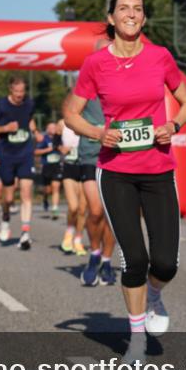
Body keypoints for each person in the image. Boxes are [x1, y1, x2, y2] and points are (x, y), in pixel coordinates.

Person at [63, 0, 186, 364]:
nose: (131, 14)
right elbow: (70, 113)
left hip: (158, 169)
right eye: (124, 8)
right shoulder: (96, 64)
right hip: (116, 171)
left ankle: (155, 294)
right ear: (111, 18)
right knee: (134, 259)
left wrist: (173, 123)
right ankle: (136, 336)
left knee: (166, 262)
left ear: (144, 19)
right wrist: (96, 133)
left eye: (138, 9)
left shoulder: (160, 57)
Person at [0, 76, 38, 250]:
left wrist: (35, 131)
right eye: (16, 92)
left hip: (25, 153)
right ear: (10, 90)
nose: (19, 95)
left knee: (26, 193)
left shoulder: (29, 104)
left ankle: (25, 233)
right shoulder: (1, 105)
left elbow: (30, 118)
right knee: (8, 198)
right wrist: (5, 128)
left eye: (22, 92)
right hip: (7, 154)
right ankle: (5, 219)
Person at [71, 97, 117, 285]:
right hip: (90, 156)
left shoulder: (121, 81)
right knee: (96, 211)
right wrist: (94, 131)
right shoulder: (85, 85)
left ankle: (106, 261)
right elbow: (70, 116)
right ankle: (94, 255)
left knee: (111, 214)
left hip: (117, 156)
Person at [58, 120, 90, 257]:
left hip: (86, 165)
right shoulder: (62, 123)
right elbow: (52, 140)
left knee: (83, 209)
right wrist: (60, 148)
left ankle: (78, 239)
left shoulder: (90, 121)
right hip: (70, 166)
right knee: (73, 206)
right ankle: (69, 233)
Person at [37, 123, 63, 219]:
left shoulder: (60, 138)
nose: (52, 129)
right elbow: (36, 152)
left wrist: (61, 148)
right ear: (47, 129)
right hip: (46, 166)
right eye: (50, 127)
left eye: (54, 127)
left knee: (56, 187)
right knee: (48, 190)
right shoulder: (44, 139)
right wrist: (48, 149)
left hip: (57, 165)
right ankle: (45, 198)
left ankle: (55, 208)